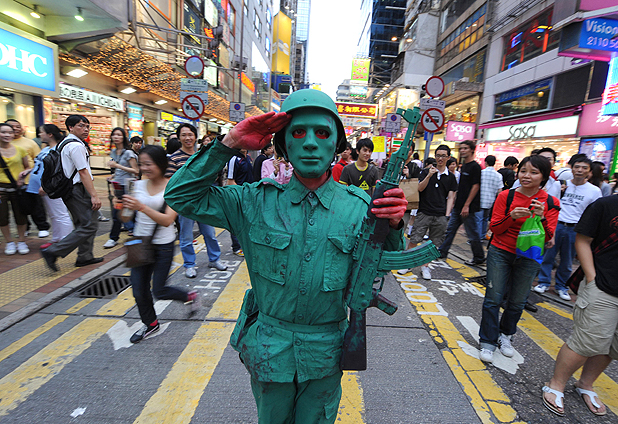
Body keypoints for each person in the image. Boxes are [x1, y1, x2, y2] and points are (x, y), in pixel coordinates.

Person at [164, 89, 407, 424]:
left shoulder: (359, 207)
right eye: (298, 133)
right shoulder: (253, 201)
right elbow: (180, 196)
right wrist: (230, 142)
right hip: (269, 350)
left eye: (322, 133)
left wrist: (393, 224)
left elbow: (386, 264)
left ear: (337, 145)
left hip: (326, 354)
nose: (310, 143)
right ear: (283, 145)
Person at [541, 194, 618, 417]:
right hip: (603, 286)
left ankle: (586, 384)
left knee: (612, 346)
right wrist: (592, 279)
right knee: (587, 341)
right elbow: (583, 240)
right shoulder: (606, 205)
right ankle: (556, 384)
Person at [478, 155, 560, 363]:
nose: (526, 176)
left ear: (544, 177)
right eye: (523, 171)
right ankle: (487, 340)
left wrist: (542, 217)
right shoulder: (506, 196)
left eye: (534, 172)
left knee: (517, 301)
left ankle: (506, 335)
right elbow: (494, 228)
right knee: (493, 298)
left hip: (529, 256)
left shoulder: (551, 202)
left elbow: (548, 238)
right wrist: (511, 216)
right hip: (501, 251)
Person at [121, 145, 199, 343]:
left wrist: (141, 207)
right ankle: (151, 324)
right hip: (140, 244)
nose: (144, 168)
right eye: (141, 164)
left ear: (161, 164)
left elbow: (167, 220)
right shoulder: (136, 185)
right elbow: (125, 217)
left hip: (163, 245)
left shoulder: (172, 187)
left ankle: (188, 296)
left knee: (159, 290)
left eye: (149, 164)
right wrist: (122, 207)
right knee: (138, 289)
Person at [40, 115, 103, 272]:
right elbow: (83, 172)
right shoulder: (75, 146)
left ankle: (85, 256)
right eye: (81, 126)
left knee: (84, 223)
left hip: (70, 190)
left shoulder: (64, 143)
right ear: (70, 127)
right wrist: (94, 195)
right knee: (89, 225)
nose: (86, 129)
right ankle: (53, 251)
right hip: (77, 190)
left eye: (87, 126)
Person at [534, 157, 601, 301]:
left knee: (567, 260)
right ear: (572, 168)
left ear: (590, 171)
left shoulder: (594, 191)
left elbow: (594, 213)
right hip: (557, 224)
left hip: (576, 228)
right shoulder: (560, 184)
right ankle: (544, 282)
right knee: (548, 256)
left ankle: (561, 286)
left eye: (584, 168)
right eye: (577, 167)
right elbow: (549, 203)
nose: (580, 170)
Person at [165, 123, 227, 278]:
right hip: (185, 204)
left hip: (203, 202)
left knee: (210, 234)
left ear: (195, 137)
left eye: (190, 134)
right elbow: (170, 182)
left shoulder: (201, 155)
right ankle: (189, 264)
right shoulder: (173, 158)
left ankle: (215, 259)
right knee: (186, 237)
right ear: (179, 138)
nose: (187, 138)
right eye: (184, 135)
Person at [399, 144, 457, 279]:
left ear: (448, 157)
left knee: (433, 244)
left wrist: (447, 215)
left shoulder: (450, 177)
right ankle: (408, 264)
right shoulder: (426, 172)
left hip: (440, 214)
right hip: (424, 212)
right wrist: (429, 176)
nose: (440, 158)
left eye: (443, 156)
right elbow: (419, 188)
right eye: (438, 155)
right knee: (415, 239)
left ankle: (425, 267)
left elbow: (451, 197)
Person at [439, 140, 485, 265]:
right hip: (459, 206)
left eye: (465, 148)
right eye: (461, 148)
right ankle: (442, 251)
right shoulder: (464, 165)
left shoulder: (475, 167)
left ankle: (479, 257)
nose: (462, 151)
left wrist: (466, 205)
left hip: (468, 207)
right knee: (450, 230)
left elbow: (475, 186)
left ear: (472, 150)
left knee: (472, 233)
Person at [28, 124, 74, 249]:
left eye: (41, 132)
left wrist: (46, 186)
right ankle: (57, 238)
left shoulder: (57, 150)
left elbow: (58, 172)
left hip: (52, 188)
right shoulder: (46, 149)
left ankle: (66, 241)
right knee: (53, 214)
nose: (39, 135)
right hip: (43, 187)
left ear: (50, 134)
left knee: (60, 214)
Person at [6, 119, 50, 238]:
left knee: (36, 205)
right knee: (18, 207)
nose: (15, 129)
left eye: (18, 126)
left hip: (30, 180)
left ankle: (42, 227)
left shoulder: (30, 143)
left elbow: (39, 159)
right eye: (12, 126)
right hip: (10, 182)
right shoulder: (4, 144)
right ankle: (25, 227)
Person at [103, 128, 139, 249]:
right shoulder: (114, 152)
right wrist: (113, 176)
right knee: (119, 212)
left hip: (128, 187)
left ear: (123, 137)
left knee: (129, 212)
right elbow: (120, 170)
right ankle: (114, 237)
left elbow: (136, 171)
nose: (116, 137)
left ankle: (115, 238)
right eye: (114, 135)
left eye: (119, 135)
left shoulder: (128, 153)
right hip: (118, 187)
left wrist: (117, 166)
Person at [0, 122, 31, 255]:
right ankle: (9, 242)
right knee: (2, 216)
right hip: (1, 188)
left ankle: (22, 241)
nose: (7, 135)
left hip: (17, 187)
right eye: (3, 132)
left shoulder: (20, 150)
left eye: (10, 132)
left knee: (21, 215)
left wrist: (22, 175)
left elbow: (27, 167)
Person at [477, 155, 504, 239]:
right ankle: (483, 235)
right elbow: (500, 190)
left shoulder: (481, 173)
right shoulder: (498, 175)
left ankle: (478, 238)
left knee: (479, 219)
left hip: (480, 200)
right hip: (490, 201)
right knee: (485, 219)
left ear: (485, 163)